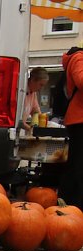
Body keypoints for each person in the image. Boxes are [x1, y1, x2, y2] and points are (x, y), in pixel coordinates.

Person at [59, 46, 83, 208]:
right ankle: (73, 204)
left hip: (79, 119)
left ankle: (70, 202)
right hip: (79, 119)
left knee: (77, 163)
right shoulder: (78, 58)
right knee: (78, 164)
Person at [23, 67, 49, 132]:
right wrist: (31, 129)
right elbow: (17, 121)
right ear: (33, 80)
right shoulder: (21, 91)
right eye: (41, 85)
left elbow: (36, 113)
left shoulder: (33, 93)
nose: (41, 88)